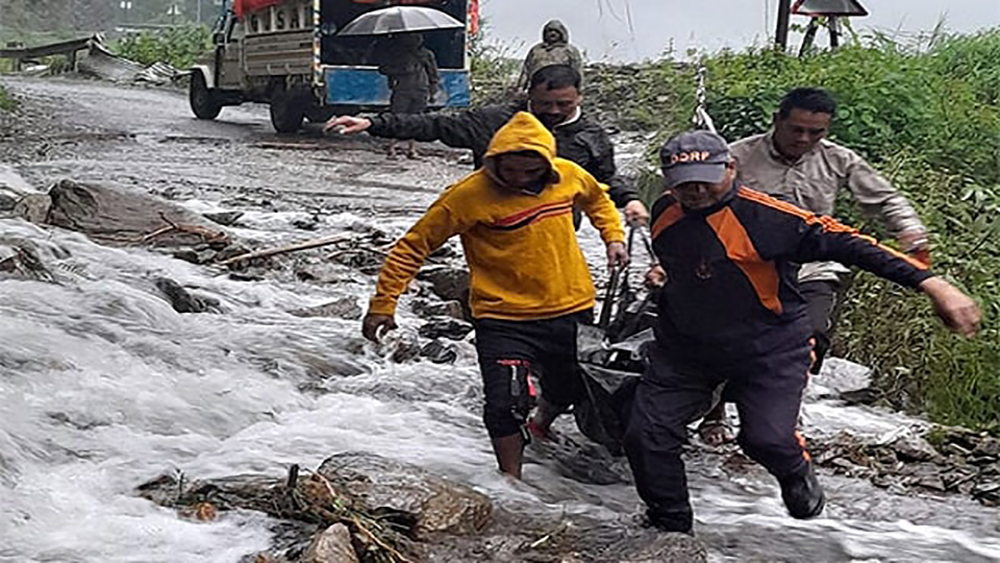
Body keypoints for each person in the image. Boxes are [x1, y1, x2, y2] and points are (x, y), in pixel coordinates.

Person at [626, 130, 979, 535]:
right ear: (669, 180)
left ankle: (794, 469)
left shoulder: (769, 218)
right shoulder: (666, 211)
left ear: (731, 168)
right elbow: (690, 259)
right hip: (685, 347)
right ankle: (670, 528)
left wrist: (933, 284)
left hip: (768, 348)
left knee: (764, 439)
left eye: (706, 177)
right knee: (645, 436)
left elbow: (854, 245)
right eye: (684, 182)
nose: (696, 190)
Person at [362, 111, 629, 479]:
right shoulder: (468, 196)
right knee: (505, 403)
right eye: (510, 171)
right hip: (504, 317)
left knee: (568, 385)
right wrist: (383, 304)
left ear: (546, 165)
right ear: (493, 161)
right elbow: (413, 246)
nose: (518, 179)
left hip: (571, 306)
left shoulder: (569, 175)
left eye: (528, 172)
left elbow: (598, 200)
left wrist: (613, 237)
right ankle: (512, 481)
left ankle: (541, 424)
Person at [694, 87, 932, 445]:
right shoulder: (736, 157)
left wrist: (910, 231)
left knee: (813, 335)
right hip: (745, 264)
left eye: (816, 132)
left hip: (812, 265)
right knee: (724, 339)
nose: (804, 139)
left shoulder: (838, 160)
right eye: (796, 130)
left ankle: (773, 412)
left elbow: (884, 198)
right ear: (777, 121)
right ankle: (714, 414)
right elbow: (700, 202)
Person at [324, 64, 650, 226]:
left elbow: (604, 180)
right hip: (492, 222)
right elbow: (436, 124)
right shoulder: (494, 121)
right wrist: (373, 122)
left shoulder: (591, 136)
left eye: (562, 104)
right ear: (529, 96)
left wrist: (631, 201)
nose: (552, 111)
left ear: (578, 97)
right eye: (544, 103)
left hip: (556, 226)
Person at [375, 33, 439, 159]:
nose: (415, 41)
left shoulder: (426, 54)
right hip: (402, 90)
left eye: (418, 39)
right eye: (412, 39)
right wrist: (402, 70)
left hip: (421, 89)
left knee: (417, 119)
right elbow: (383, 69)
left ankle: (412, 149)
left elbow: (433, 73)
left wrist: (432, 91)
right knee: (396, 118)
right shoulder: (398, 54)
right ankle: (391, 148)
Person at [515, 20, 584, 92]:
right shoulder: (536, 50)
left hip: (561, 88)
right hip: (538, 88)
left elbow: (577, 71)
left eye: (556, 31)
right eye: (550, 31)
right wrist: (520, 87)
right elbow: (526, 70)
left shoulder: (570, 50)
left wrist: (578, 89)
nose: (552, 33)